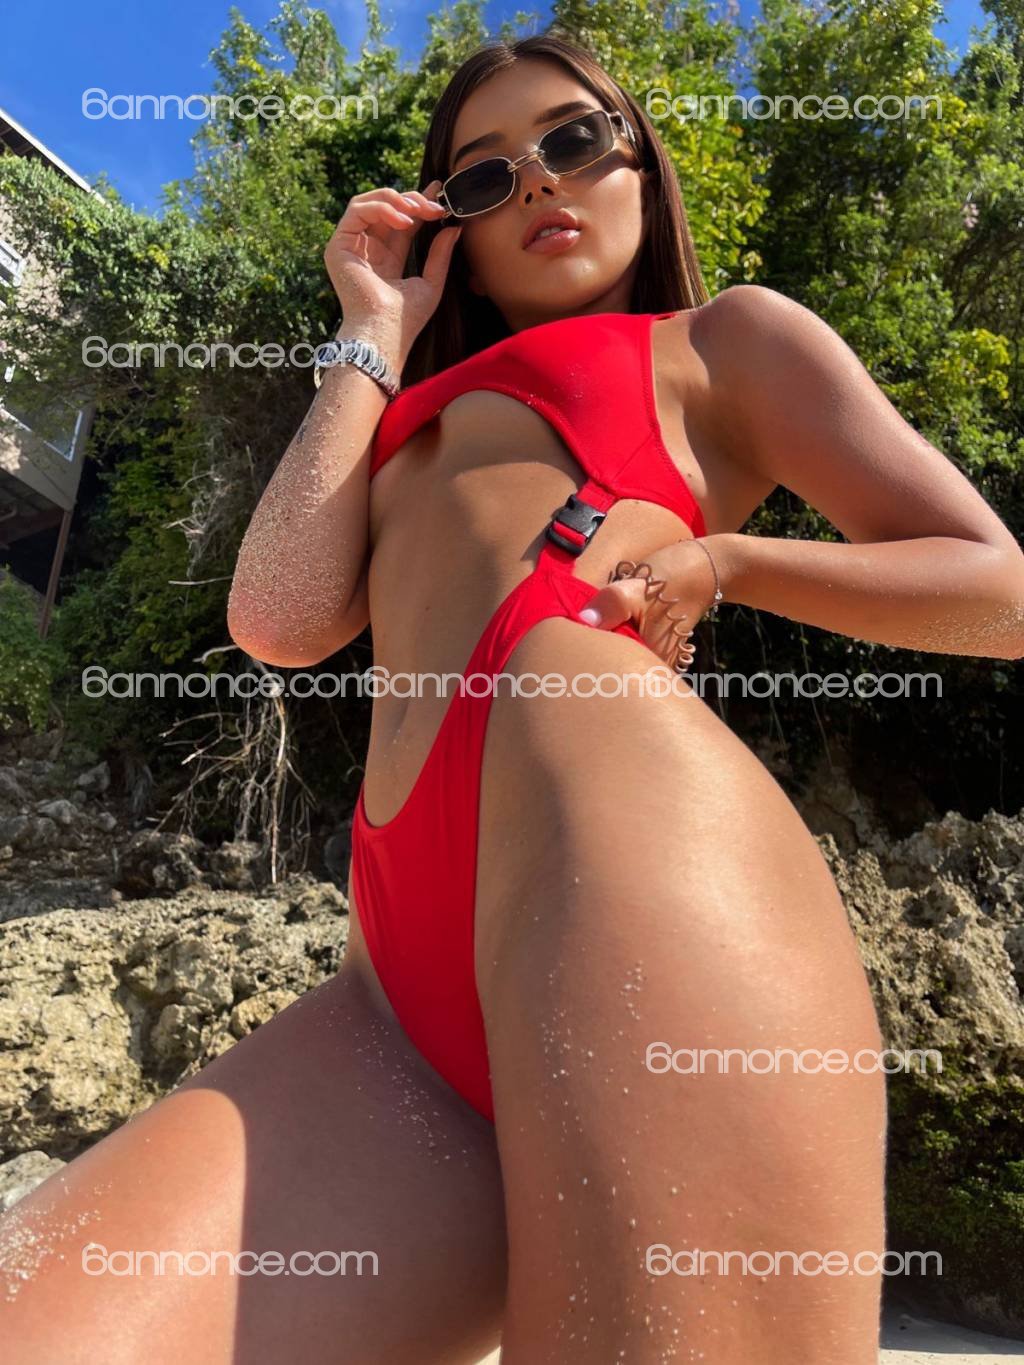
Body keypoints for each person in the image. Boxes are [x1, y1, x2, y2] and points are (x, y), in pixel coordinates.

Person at [4, 32, 1023, 1365]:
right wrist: (371, 331)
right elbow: (280, 619)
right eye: (485, 177)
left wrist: (729, 561)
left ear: (641, 162)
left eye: (575, 140)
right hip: (392, 991)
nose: (539, 180)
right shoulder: (398, 410)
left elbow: (998, 591)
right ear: (460, 240)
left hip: (636, 869)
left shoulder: (722, 340)